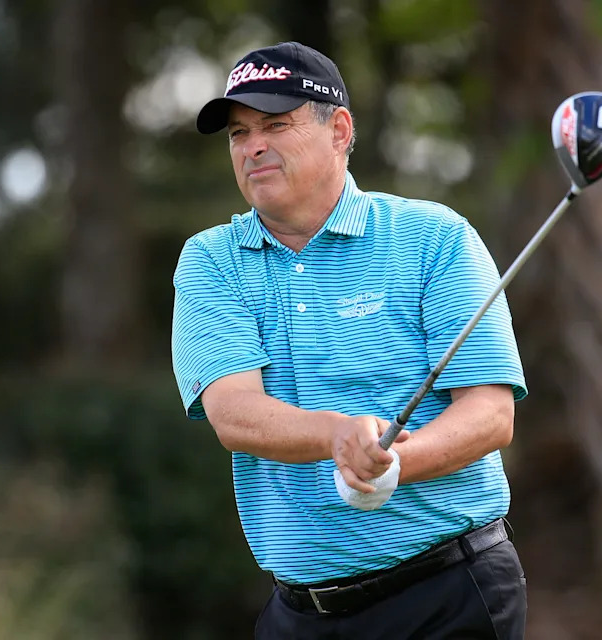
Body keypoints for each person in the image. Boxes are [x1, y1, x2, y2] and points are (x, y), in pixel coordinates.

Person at [172, 41, 529, 639]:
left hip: (448, 595)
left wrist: (390, 464)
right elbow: (234, 413)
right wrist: (340, 437)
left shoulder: (435, 238)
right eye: (238, 133)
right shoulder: (211, 261)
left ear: (339, 130)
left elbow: (491, 415)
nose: (252, 145)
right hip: (301, 613)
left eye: (275, 125)